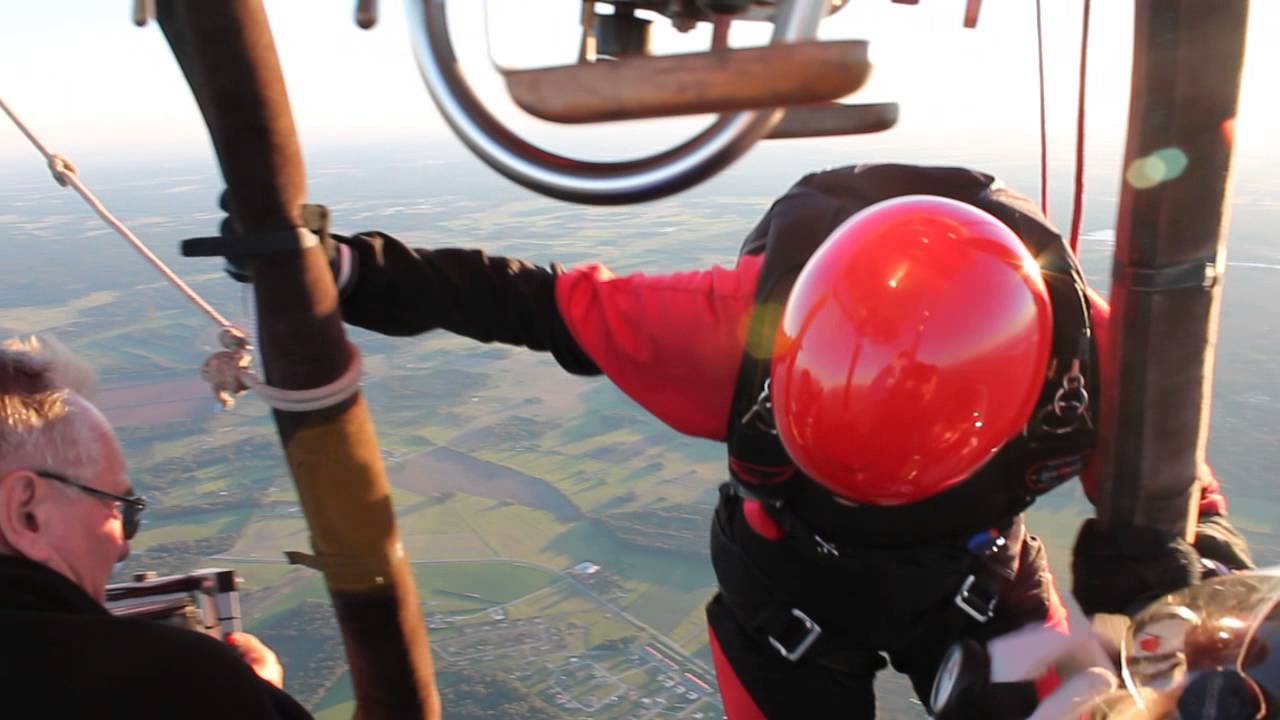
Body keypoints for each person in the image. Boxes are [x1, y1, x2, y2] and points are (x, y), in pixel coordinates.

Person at [313, 163, 1252, 718]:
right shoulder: (735, 328)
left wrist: (1206, 574)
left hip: (967, 577)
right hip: (794, 586)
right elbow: (531, 301)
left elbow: (1178, 490)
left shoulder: (1083, 355)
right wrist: (348, 271)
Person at [0, 335, 311, 719]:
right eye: (120, 509)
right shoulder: (180, 684)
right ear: (27, 513)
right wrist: (253, 699)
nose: (124, 547)